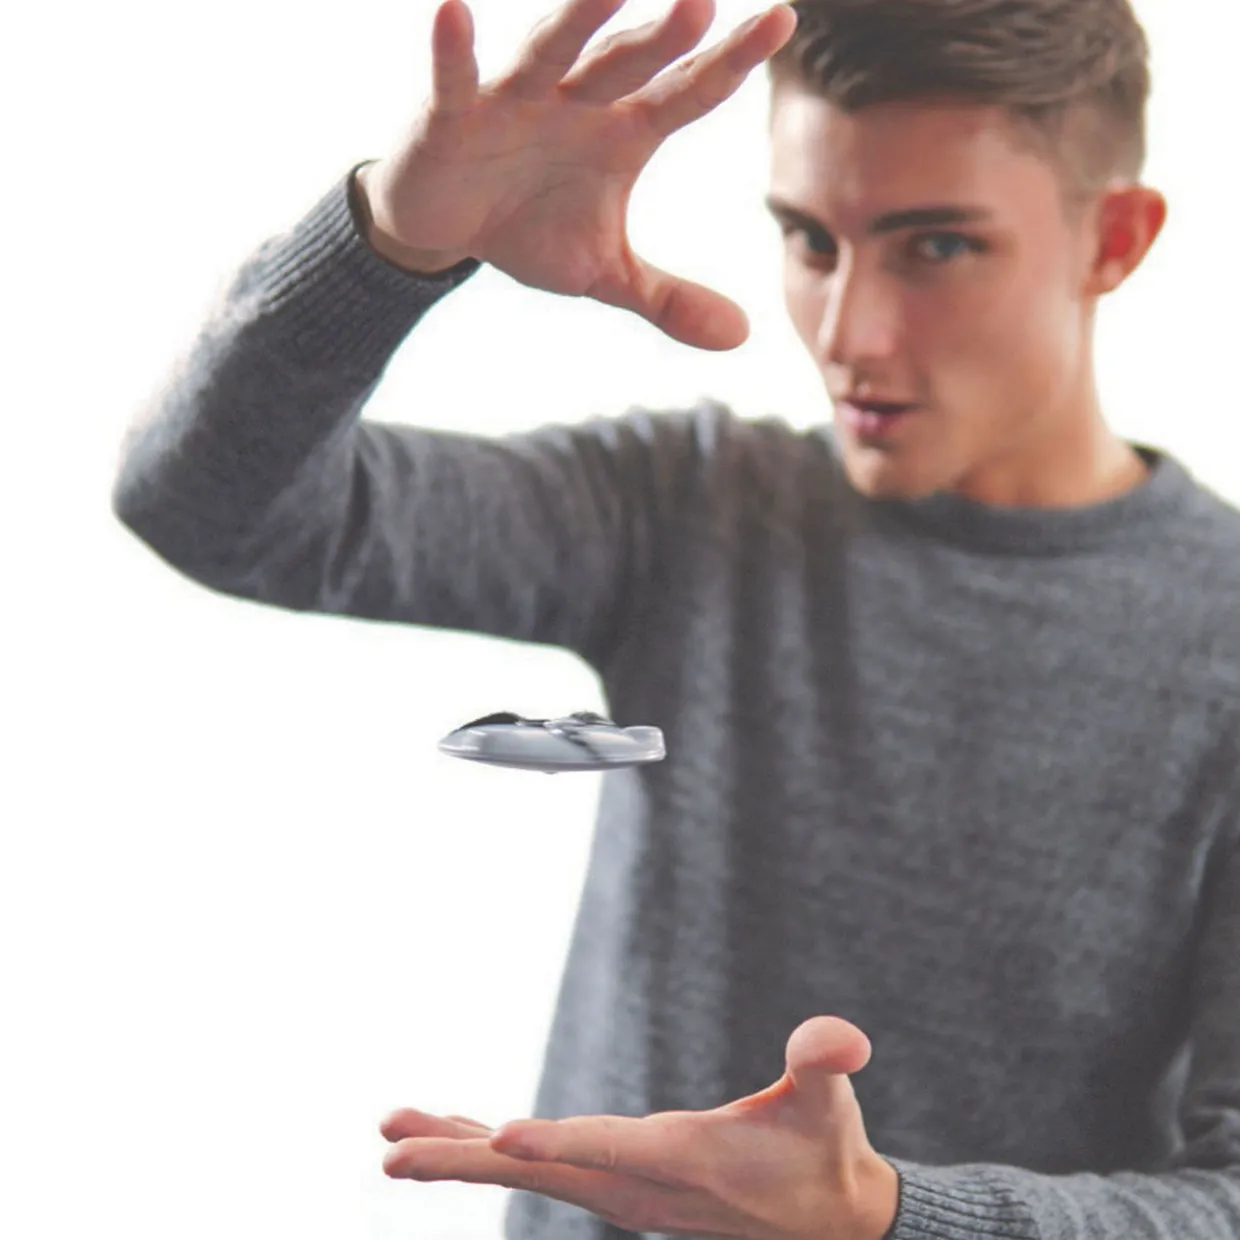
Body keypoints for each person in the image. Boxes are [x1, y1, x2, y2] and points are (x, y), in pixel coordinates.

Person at [111, 0, 1240, 1236]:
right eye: (809, 239)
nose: (848, 333)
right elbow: (208, 507)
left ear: (1113, 238)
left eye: (935, 247)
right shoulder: (691, 506)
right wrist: (387, 248)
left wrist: (889, 1216)